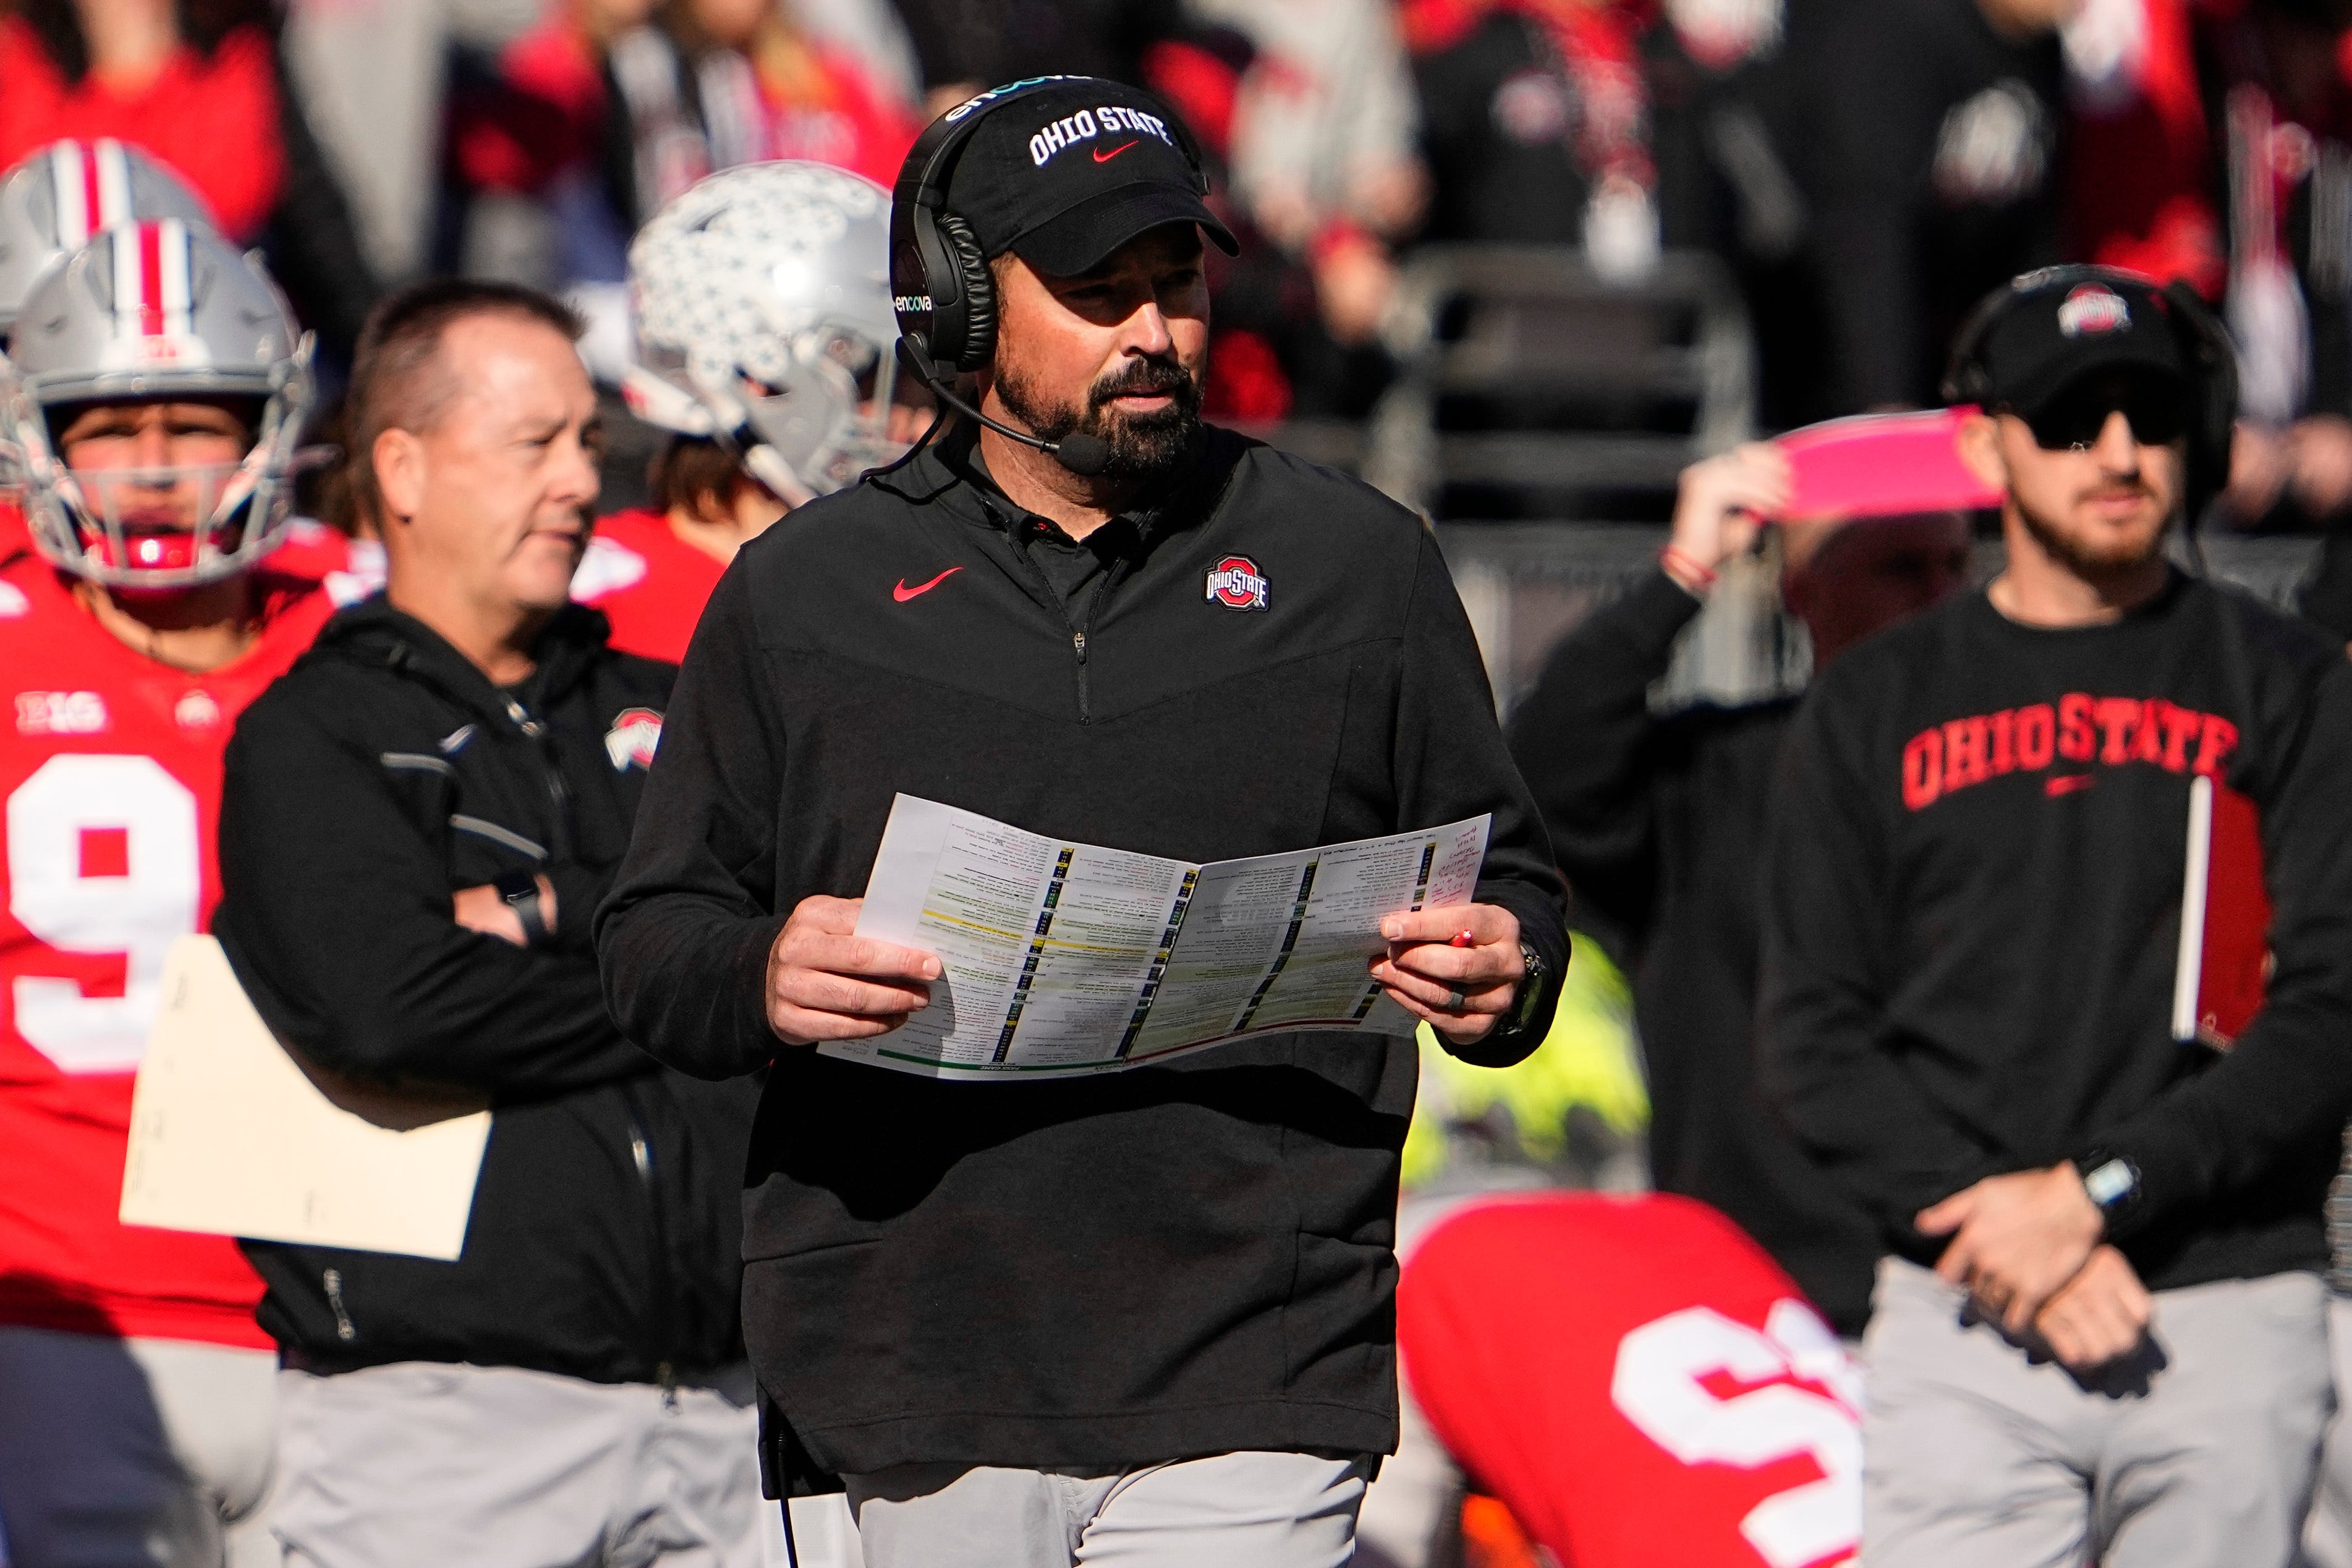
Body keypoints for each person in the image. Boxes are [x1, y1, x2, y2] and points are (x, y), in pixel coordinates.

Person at [596, 74, 1569, 1568]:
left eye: (1173, 282)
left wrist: (1502, 974)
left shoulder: (1355, 565)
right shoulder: (797, 593)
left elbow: (1509, 885)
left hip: (1258, 1343)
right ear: (961, 316)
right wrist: (758, 975)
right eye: (1095, 291)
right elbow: (654, 939)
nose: (1151, 331)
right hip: (904, 1357)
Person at [1759, 265, 2352, 1564]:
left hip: (2226, 1297)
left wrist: (2091, 1196)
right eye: (2073, 418)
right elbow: (1814, 1032)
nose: (2121, 452)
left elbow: (2324, 1014)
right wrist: (1996, 1222)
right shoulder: (1874, 700)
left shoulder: (2288, 681)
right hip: (1965, 1307)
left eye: (2149, 414)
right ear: (1986, 444)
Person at [210, 278, 766, 1567]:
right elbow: (388, 1002)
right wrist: (691, 978)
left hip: (733, 1415)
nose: (581, 478)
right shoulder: (317, 733)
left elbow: (791, 931)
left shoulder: (686, 710)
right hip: (439, 1427)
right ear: (400, 467)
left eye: (588, 440)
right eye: (536, 442)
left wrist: (546, 909)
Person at [0, 219, 346, 1568]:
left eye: (195, 420)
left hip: (351, 1294)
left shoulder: (375, 621)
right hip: (67, 1299)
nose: (151, 466)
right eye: (105, 423)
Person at [1507, 454, 1973, 1337]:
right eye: (1900, 569)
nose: (1940, 596)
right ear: (1804, 590)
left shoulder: (2037, 781)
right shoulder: (1711, 774)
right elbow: (1546, 770)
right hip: (1751, 1304)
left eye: (1957, 566)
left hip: (1975, 1295)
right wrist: (1682, 575)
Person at [584, 158, 908, 661]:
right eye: (872, 379)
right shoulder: (599, 607)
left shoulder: (881, 581)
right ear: (757, 380)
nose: (917, 419)